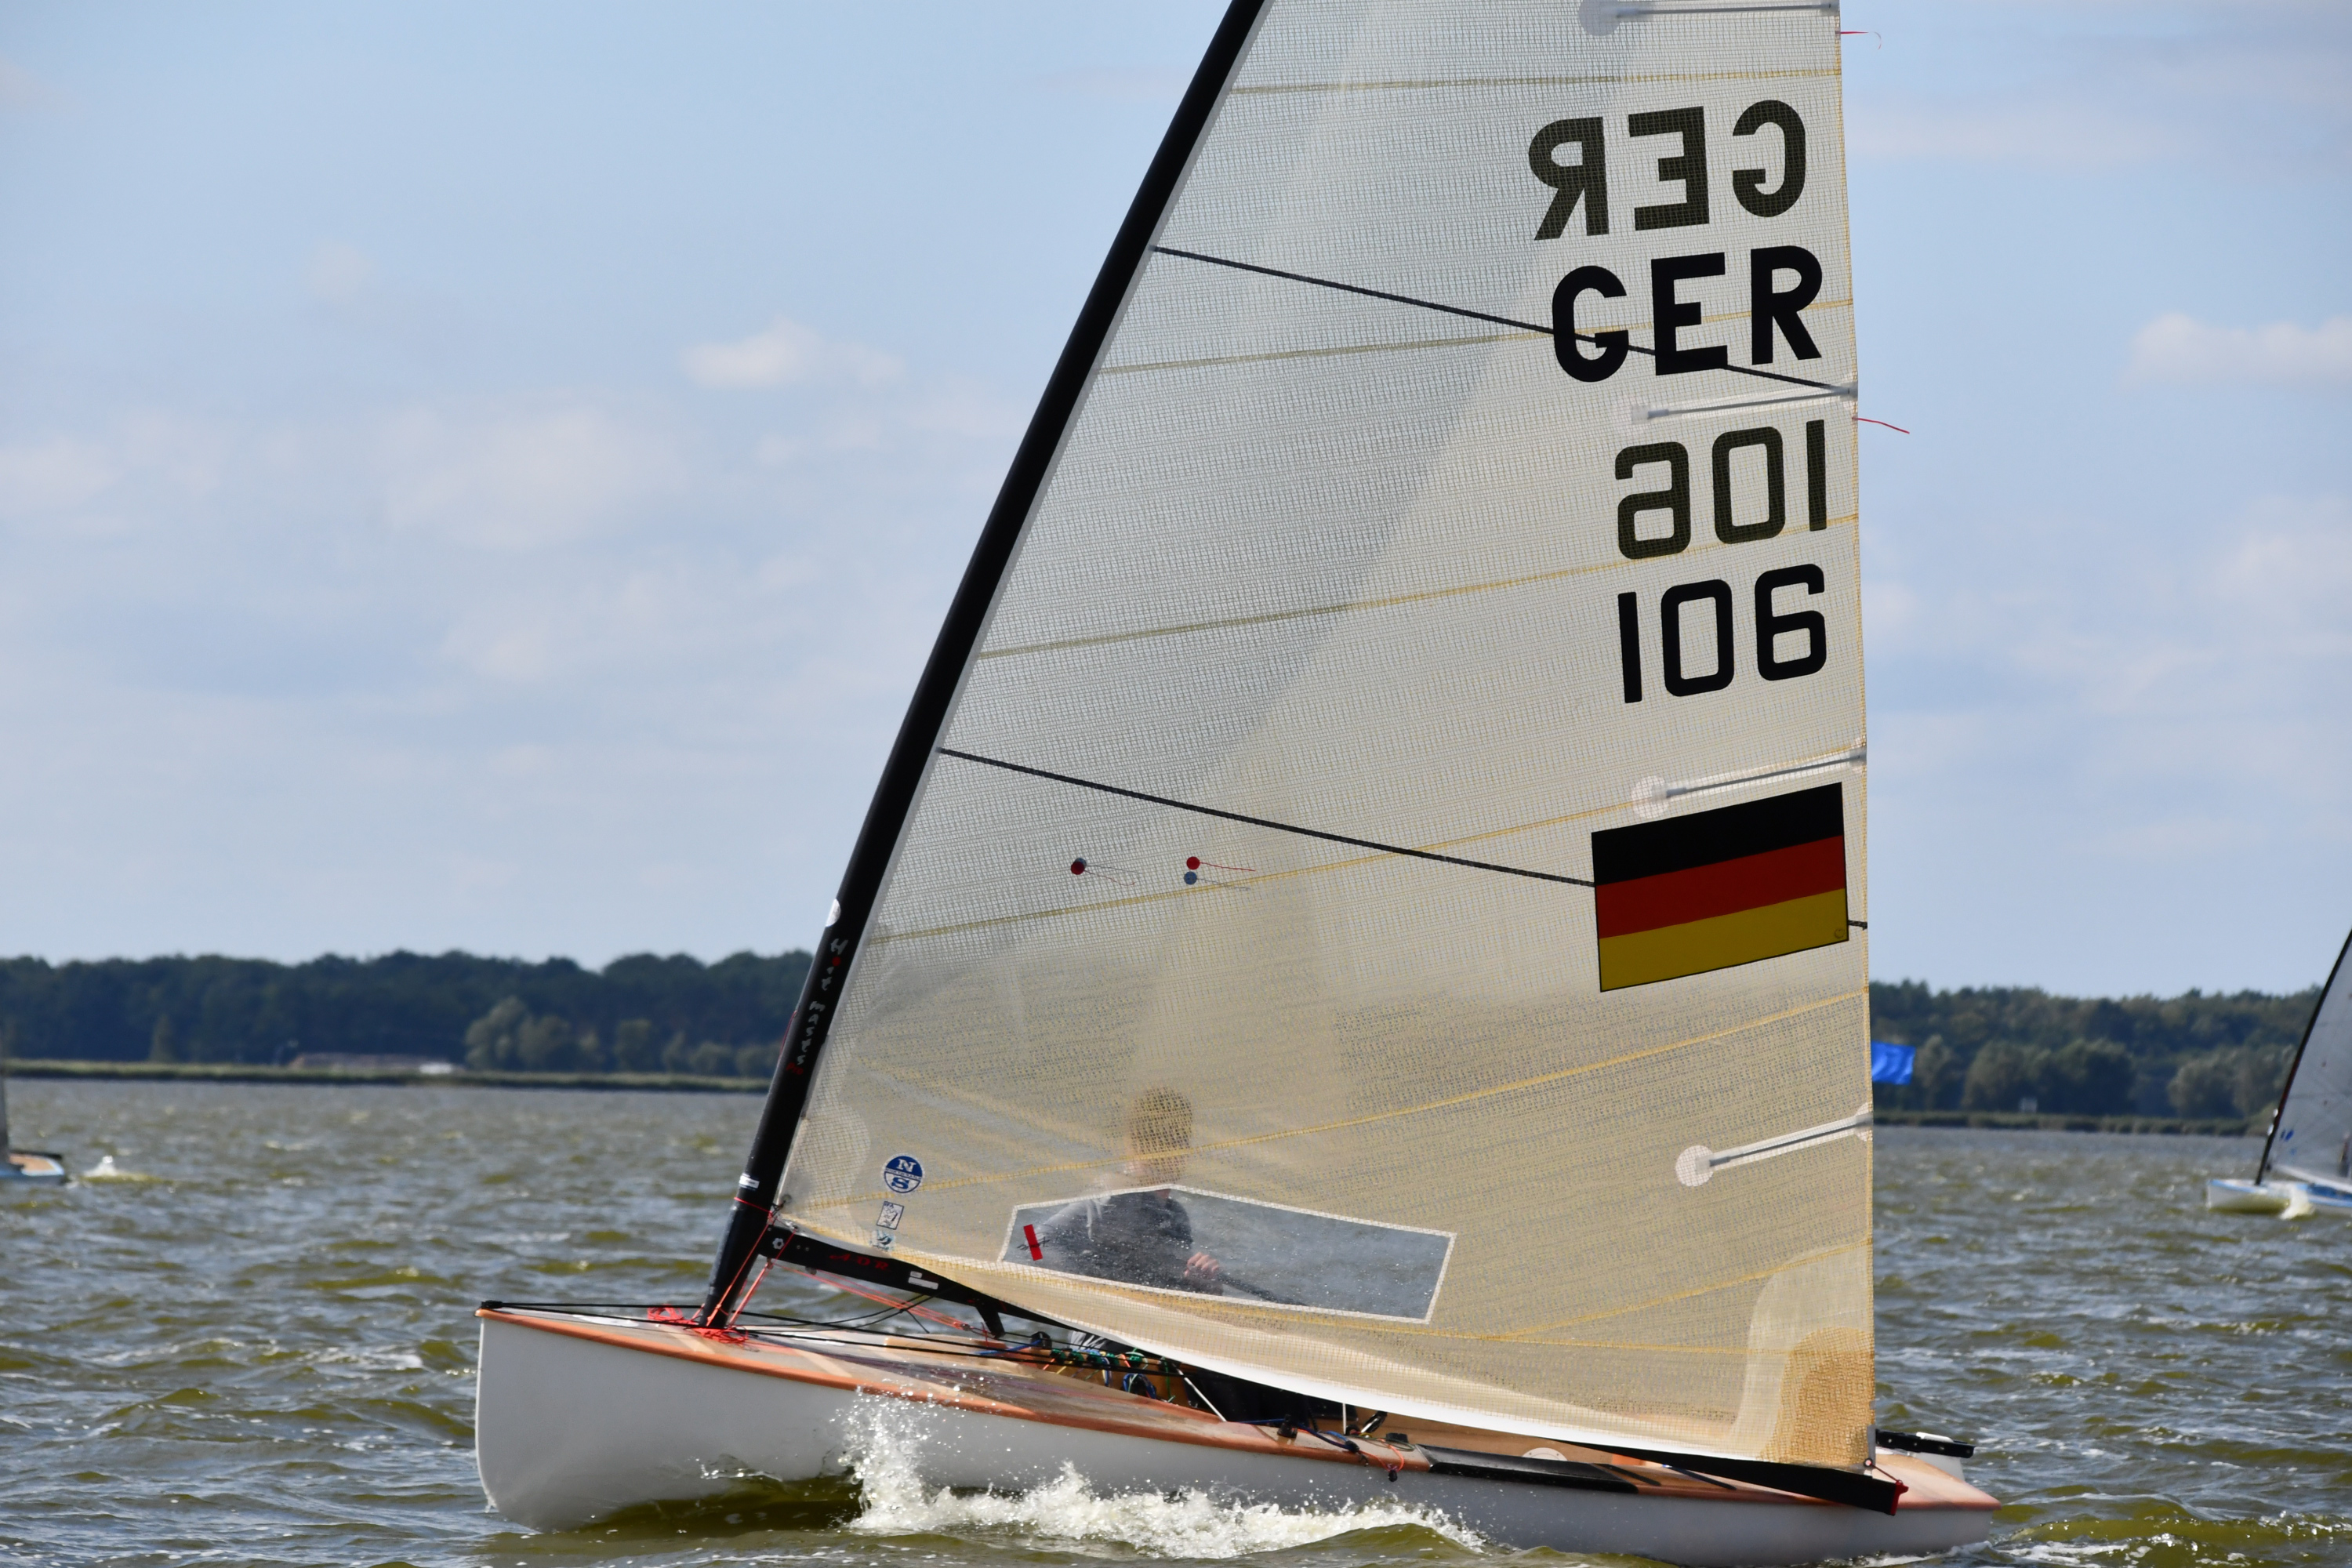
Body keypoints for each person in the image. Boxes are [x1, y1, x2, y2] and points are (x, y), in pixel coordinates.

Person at [1032, 1087, 1222, 1293]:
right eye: (1159, 1141)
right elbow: (1032, 1241)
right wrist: (1087, 1288)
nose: (1172, 1153)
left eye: (1179, 1141)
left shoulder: (1176, 1215)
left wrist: (1205, 1283)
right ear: (1136, 1146)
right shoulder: (1112, 1198)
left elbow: (1171, 1286)